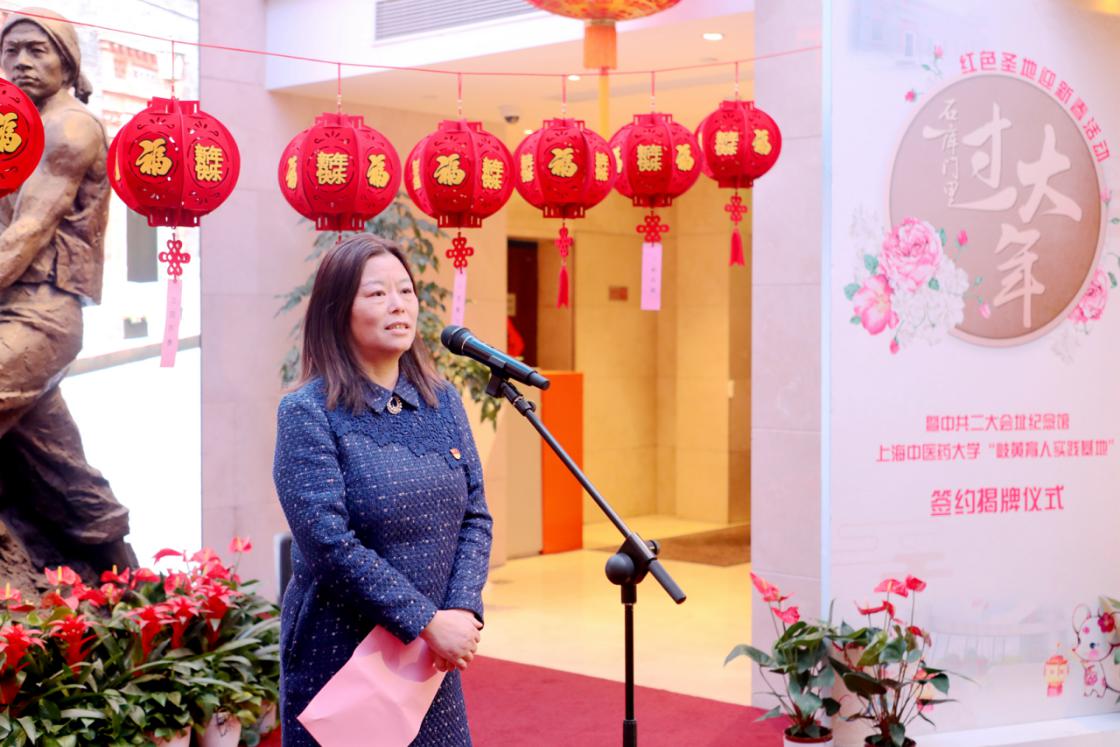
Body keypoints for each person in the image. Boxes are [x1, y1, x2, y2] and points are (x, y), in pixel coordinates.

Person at [273, 233, 493, 746]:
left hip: (429, 660)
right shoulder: (307, 412)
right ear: (338, 311)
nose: (399, 305)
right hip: (345, 657)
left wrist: (460, 611)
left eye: (406, 291)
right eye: (377, 293)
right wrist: (424, 620)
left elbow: (476, 514)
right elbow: (327, 542)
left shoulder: (442, 401)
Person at [0, 8, 135, 572]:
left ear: (68, 63)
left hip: (42, 313)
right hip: (9, 308)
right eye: (11, 52)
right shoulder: (13, 130)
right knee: (57, 465)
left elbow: (28, 230)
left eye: (37, 50)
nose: (22, 62)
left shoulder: (70, 128)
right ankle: (130, 582)